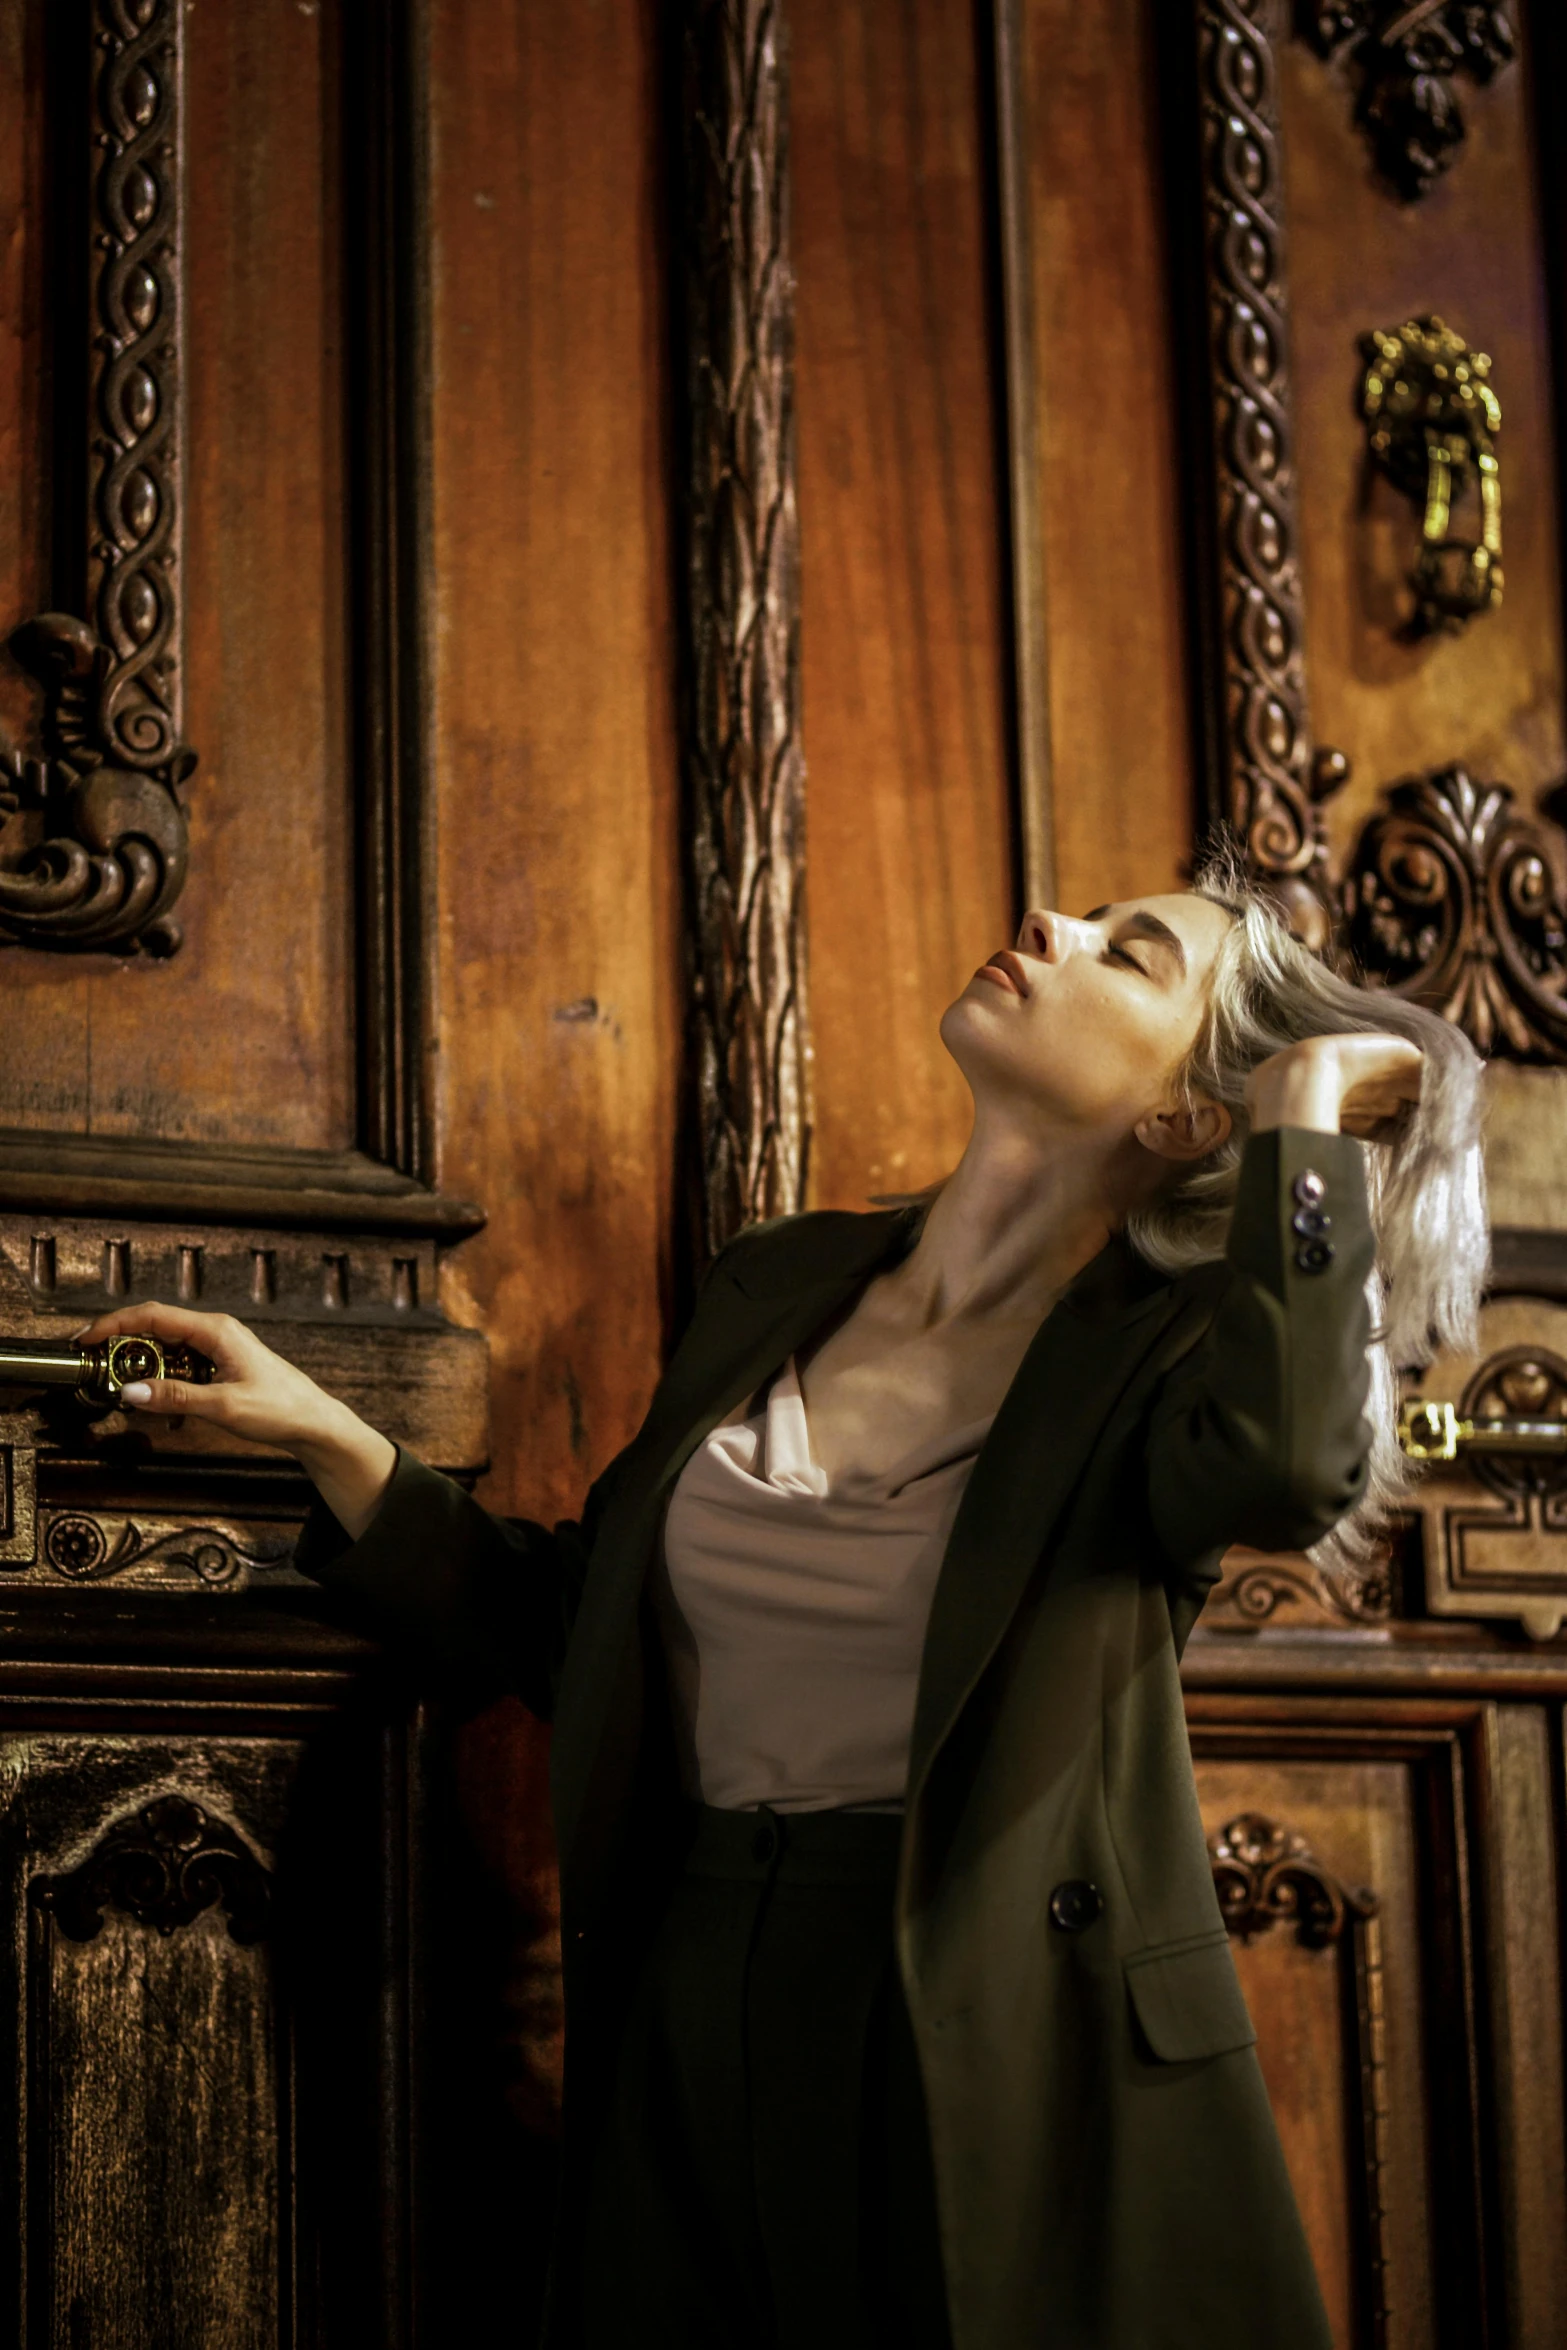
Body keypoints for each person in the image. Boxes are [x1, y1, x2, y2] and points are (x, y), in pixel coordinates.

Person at [83, 856, 1488, 2350]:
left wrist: (1301, 1116)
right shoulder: (780, 1281)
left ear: (1183, 1116)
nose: (1047, 926)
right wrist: (324, 1431)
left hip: (996, 2019)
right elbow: (585, 1627)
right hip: (694, 1980)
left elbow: (1287, 1463)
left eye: (1127, 956)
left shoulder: (1165, 1361)